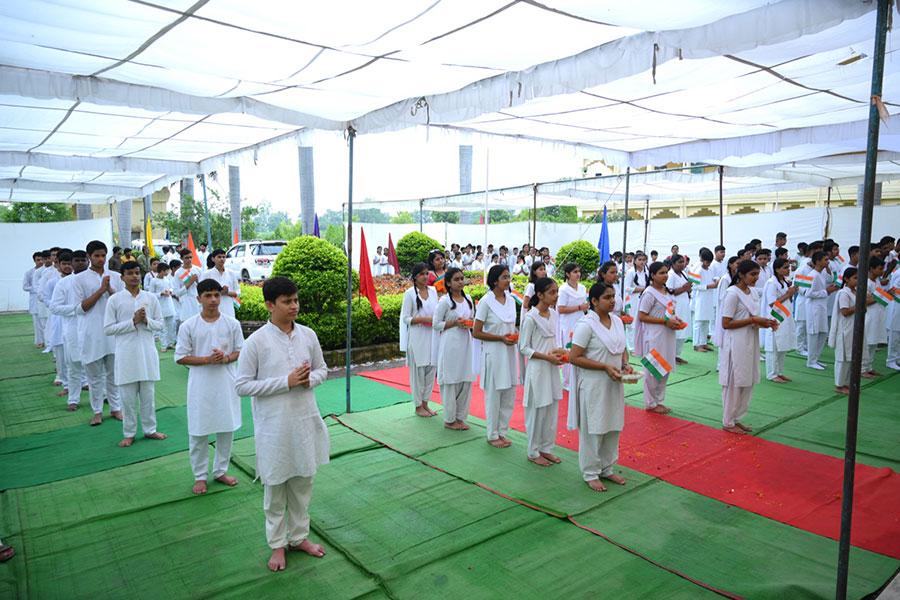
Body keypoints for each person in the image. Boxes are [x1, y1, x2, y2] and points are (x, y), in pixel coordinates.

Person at [235, 276, 329, 572]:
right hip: (273, 427)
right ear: (269, 304)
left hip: (304, 420)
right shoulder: (256, 343)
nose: (294, 306)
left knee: (303, 481)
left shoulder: (307, 335)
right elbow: (242, 385)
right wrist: (285, 382)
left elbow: (322, 369)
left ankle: (299, 536)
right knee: (275, 487)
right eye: (287, 301)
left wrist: (308, 380)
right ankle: (277, 545)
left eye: (295, 300)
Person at [175, 278, 243, 494]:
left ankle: (221, 470)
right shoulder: (189, 325)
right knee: (198, 430)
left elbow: (241, 351)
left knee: (226, 428)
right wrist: (207, 360)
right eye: (208, 296)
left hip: (226, 382)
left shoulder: (232, 324)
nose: (214, 300)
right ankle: (200, 476)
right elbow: (180, 357)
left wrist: (226, 358)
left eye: (216, 295)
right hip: (200, 385)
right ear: (199, 299)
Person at [569, 281, 632, 491]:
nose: (612, 300)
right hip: (593, 384)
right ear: (594, 301)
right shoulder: (585, 325)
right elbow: (574, 357)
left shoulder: (617, 321)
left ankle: (607, 468)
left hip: (614, 383)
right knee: (593, 428)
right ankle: (590, 472)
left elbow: (621, 348)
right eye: (607, 297)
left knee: (613, 425)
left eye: (613, 296)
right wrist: (604, 366)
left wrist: (625, 364)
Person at [103, 261, 167, 447]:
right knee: (128, 399)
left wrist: (146, 321)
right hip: (126, 355)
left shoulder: (150, 298)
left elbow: (160, 324)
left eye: (137, 273)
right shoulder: (114, 300)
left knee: (148, 397)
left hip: (147, 353)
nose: (135, 276)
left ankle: (150, 430)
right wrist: (132, 322)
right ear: (122, 277)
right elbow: (108, 329)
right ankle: (129, 433)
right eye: (130, 273)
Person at [719, 260, 777, 434]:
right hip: (736, 342)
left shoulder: (752, 293)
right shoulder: (732, 294)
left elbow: (754, 316)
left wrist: (765, 322)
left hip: (750, 340)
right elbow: (726, 323)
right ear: (741, 274)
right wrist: (753, 320)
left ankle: (737, 417)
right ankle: (728, 421)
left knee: (747, 380)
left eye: (757, 274)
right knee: (734, 381)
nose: (756, 278)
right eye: (752, 274)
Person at [74, 241, 124, 426]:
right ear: (89, 257)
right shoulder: (79, 279)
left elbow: (121, 303)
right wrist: (101, 290)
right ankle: (96, 411)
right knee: (94, 376)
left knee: (113, 374)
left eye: (103, 255)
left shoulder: (116, 277)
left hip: (112, 331)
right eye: (96, 255)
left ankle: (115, 408)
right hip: (91, 332)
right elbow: (81, 308)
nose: (100, 259)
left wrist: (109, 289)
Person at [473, 264, 519, 448]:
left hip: (509, 352)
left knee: (508, 393)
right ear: (494, 281)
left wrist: (514, 335)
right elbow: (476, 332)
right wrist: (499, 338)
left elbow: (511, 325)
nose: (508, 280)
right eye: (504, 277)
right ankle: (492, 434)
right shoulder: (485, 302)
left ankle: (502, 431)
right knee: (494, 395)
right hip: (493, 353)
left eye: (509, 277)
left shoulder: (510, 299)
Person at [519, 277, 563, 466]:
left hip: (552, 368)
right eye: (552, 292)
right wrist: (547, 357)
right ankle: (533, 451)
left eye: (556, 292)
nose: (555, 296)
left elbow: (555, 341)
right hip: (538, 369)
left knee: (551, 408)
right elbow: (524, 348)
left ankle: (546, 447)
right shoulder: (530, 317)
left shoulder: (553, 314)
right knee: (537, 410)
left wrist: (561, 353)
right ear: (539, 294)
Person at [633, 261, 684, 414]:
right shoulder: (649, 293)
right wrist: (665, 322)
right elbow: (642, 316)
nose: (665, 276)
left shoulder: (666, 291)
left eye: (666, 272)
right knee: (653, 370)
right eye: (661, 273)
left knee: (665, 367)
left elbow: (668, 312)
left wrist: (676, 320)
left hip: (667, 335)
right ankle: (650, 403)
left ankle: (659, 401)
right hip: (654, 335)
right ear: (653, 275)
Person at [432, 267, 476, 430]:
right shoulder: (444, 302)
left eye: (461, 279)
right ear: (448, 283)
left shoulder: (468, 299)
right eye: (456, 279)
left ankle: (460, 417)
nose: (460, 282)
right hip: (450, 344)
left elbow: (472, 319)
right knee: (451, 380)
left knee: (465, 379)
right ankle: (449, 419)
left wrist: (469, 324)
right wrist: (454, 323)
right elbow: (436, 324)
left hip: (466, 342)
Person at [50, 250, 89, 410]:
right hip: (72, 328)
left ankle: (105, 397)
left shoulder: (97, 280)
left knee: (99, 366)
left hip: (93, 328)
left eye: (83, 260)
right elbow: (54, 307)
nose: (80, 263)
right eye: (77, 261)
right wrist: (77, 309)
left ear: (88, 261)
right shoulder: (63, 283)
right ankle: (73, 399)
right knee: (73, 366)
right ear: (72, 263)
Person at [400, 263, 439, 417]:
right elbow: (405, 318)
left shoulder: (434, 291)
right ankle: (418, 406)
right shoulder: (409, 294)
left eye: (426, 273)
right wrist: (421, 319)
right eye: (422, 274)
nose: (425, 276)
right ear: (415, 277)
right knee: (418, 373)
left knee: (430, 371)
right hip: (417, 336)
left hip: (432, 336)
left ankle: (425, 403)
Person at [41, 248, 72, 396]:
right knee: (60, 353)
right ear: (58, 264)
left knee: (75, 353)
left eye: (69, 263)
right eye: (64, 264)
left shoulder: (76, 280)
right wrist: (59, 308)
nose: (67, 267)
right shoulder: (52, 282)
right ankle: (65, 383)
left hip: (74, 319)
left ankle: (82, 382)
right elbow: (46, 298)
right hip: (58, 319)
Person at [762, 258, 798, 383]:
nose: (788, 269)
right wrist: (788, 294)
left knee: (783, 344)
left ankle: (779, 372)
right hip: (775, 316)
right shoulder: (772, 283)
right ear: (777, 269)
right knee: (774, 346)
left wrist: (791, 293)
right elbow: (772, 303)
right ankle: (772, 373)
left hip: (785, 315)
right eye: (784, 267)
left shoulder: (786, 281)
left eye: (788, 267)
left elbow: (787, 300)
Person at [557, 263, 588, 391]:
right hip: (568, 323)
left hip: (580, 321)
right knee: (569, 350)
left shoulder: (582, 287)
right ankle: (567, 381)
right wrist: (579, 307)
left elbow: (585, 305)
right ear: (568, 274)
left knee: (581, 350)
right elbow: (561, 308)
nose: (578, 274)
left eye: (579, 271)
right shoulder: (563, 289)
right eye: (575, 272)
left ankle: (579, 379)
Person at [828, 267, 859, 395]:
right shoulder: (843, 293)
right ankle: (839, 384)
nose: (857, 281)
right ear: (846, 279)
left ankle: (846, 382)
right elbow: (845, 311)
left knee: (850, 357)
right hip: (844, 328)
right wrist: (861, 304)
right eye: (855, 278)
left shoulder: (856, 292)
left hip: (852, 327)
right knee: (842, 358)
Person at [805, 251, 833, 370]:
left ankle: (815, 358)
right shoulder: (813, 275)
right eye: (825, 260)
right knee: (814, 334)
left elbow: (831, 279)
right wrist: (826, 292)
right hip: (814, 308)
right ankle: (811, 361)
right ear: (817, 262)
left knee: (823, 332)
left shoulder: (821, 273)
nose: (828, 261)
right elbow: (808, 293)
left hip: (821, 307)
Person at [862, 256, 887, 378]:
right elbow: (865, 301)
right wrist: (882, 296)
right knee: (867, 342)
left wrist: (884, 295)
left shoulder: (877, 281)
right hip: (869, 315)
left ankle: (869, 366)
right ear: (871, 269)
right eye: (880, 269)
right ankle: (862, 369)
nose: (882, 271)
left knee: (874, 342)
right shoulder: (865, 282)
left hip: (878, 314)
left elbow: (876, 297)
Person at [665, 254, 692, 364]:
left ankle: (676, 355)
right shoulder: (670, 275)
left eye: (683, 262)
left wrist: (688, 289)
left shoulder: (684, 274)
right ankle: (670, 355)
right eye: (679, 262)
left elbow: (687, 288)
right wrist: (684, 288)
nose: (682, 264)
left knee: (683, 332)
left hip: (684, 304)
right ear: (673, 264)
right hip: (675, 306)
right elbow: (669, 291)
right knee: (675, 331)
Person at [202, 249, 241, 319]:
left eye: (223, 257)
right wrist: (218, 292)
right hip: (212, 310)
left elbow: (237, 293)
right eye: (219, 257)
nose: (222, 259)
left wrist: (227, 293)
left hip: (228, 310)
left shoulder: (231, 273)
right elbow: (202, 293)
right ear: (213, 259)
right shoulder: (207, 274)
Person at [692, 248, 718, 352]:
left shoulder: (710, 270)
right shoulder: (698, 270)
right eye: (706, 261)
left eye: (710, 262)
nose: (708, 264)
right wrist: (708, 286)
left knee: (706, 321)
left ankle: (703, 342)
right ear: (702, 260)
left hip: (709, 298)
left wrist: (716, 281)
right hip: (701, 298)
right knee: (698, 322)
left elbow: (712, 279)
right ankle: (696, 344)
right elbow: (694, 286)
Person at [149, 261, 177, 351]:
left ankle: (170, 343)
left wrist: (170, 291)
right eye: (166, 271)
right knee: (163, 327)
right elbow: (151, 293)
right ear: (161, 271)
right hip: (160, 305)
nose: (167, 273)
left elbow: (172, 288)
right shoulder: (154, 281)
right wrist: (161, 293)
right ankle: (164, 345)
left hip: (169, 304)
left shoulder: (167, 279)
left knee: (171, 325)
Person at [23, 251, 45, 347]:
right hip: (35, 300)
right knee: (37, 323)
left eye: (41, 259)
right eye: (38, 260)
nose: (40, 262)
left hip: (45, 300)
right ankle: (39, 342)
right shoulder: (29, 273)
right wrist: (36, 289)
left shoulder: (47, 271)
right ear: (34, 261)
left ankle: (48, 342)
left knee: (46, 323)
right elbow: (25, 287)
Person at [174, 249, 202, 323]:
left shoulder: (198, 270)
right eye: (186, 258)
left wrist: (197, 282)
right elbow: (177, 293)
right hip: (185, 304)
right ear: (181, 258)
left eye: (190, 257)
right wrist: (189, 283)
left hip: (197, 302)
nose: (189, 259)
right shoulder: (178, 273)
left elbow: (203, 287)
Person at [886, 260, 900, 371]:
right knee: (895, 333)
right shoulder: (898, 273)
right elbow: (894, 291)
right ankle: (891, 360)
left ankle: (897, 358)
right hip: (897, 305)